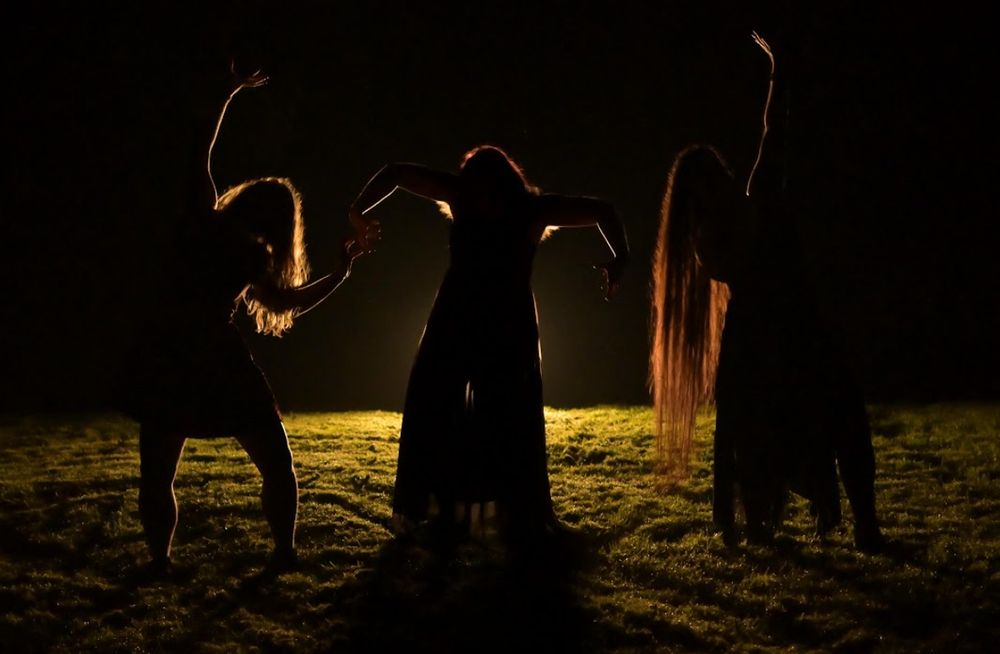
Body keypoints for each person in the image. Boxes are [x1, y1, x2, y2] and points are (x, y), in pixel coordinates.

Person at [121, 63, 376, 574]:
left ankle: (159, 561)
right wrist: (341, 273)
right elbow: (287, 305)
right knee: (277, 465)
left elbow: (200, 150)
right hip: (216, 359)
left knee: (158, 472)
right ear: (281, 226)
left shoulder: (202, 219)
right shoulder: (255, 256)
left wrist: (228, 91)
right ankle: (284, 553)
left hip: (166, 352)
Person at [649, 32, 885, 551]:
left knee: (840, 416)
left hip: (793, 327)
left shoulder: (744, 208)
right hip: (766, 335)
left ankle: (857, 521)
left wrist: (780, 71)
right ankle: (769, 523)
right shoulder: (715, 232)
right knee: (775, 429)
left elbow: (772, 129)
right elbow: (771, 134)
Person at [348, 145, 629, 544]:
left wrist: (357, 211)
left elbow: (395, 171)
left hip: (470, 314)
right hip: (492, 317)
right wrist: (621, 255)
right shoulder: (529, 209)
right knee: (491, 409)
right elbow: (604, 210)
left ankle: (461, 508)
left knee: (462, 404)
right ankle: (478, 509)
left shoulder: (474, 197)